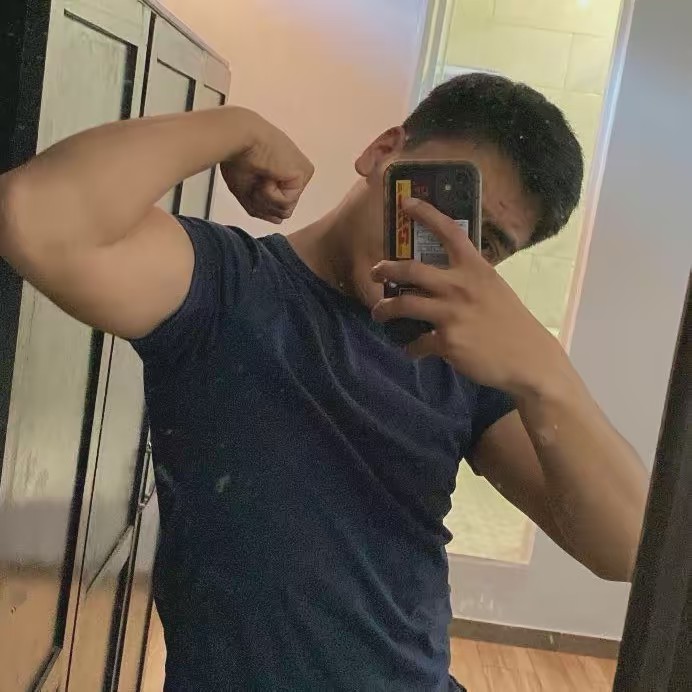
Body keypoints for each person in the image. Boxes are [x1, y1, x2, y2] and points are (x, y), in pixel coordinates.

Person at [0, 74, 648, 691]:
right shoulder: (227, 287)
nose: (445, 244)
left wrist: (544, 372)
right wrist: (234, 127)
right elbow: (34, 216)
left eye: (489, 243)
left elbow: (625, 549)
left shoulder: (461, 359)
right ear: (382, 152)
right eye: (442, 203)